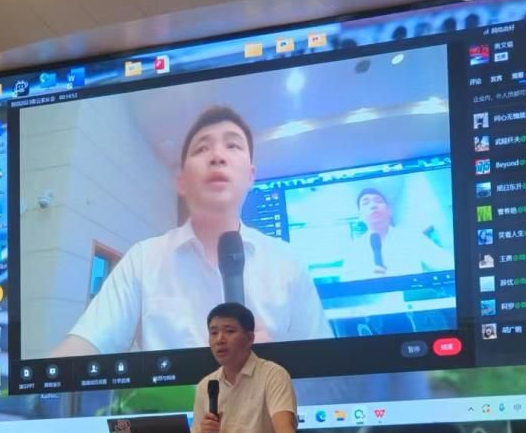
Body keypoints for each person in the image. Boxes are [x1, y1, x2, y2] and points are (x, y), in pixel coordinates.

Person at [51, 106, 332, 355]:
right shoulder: (143, 260)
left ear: (250, 176)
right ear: (182, 182)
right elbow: (86, 343)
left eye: (233, 145)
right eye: (202, 149)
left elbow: (330, 377)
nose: (218, 156)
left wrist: (279, 365)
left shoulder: (288, 264)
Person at [191, 303, 298, 433]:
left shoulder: (273, 375)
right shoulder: (206, 385)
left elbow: (285, 432)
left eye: (229, 331)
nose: (219, 340)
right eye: (214, 333)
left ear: (249, 338)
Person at [343, 186, 454, 280]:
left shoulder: (412, 237)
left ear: (389, 211)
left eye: (378, 201)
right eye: (365, 203)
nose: (373, 205)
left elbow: (446, 263)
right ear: (360, 216)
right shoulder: (353, 249)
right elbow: (346, 285)